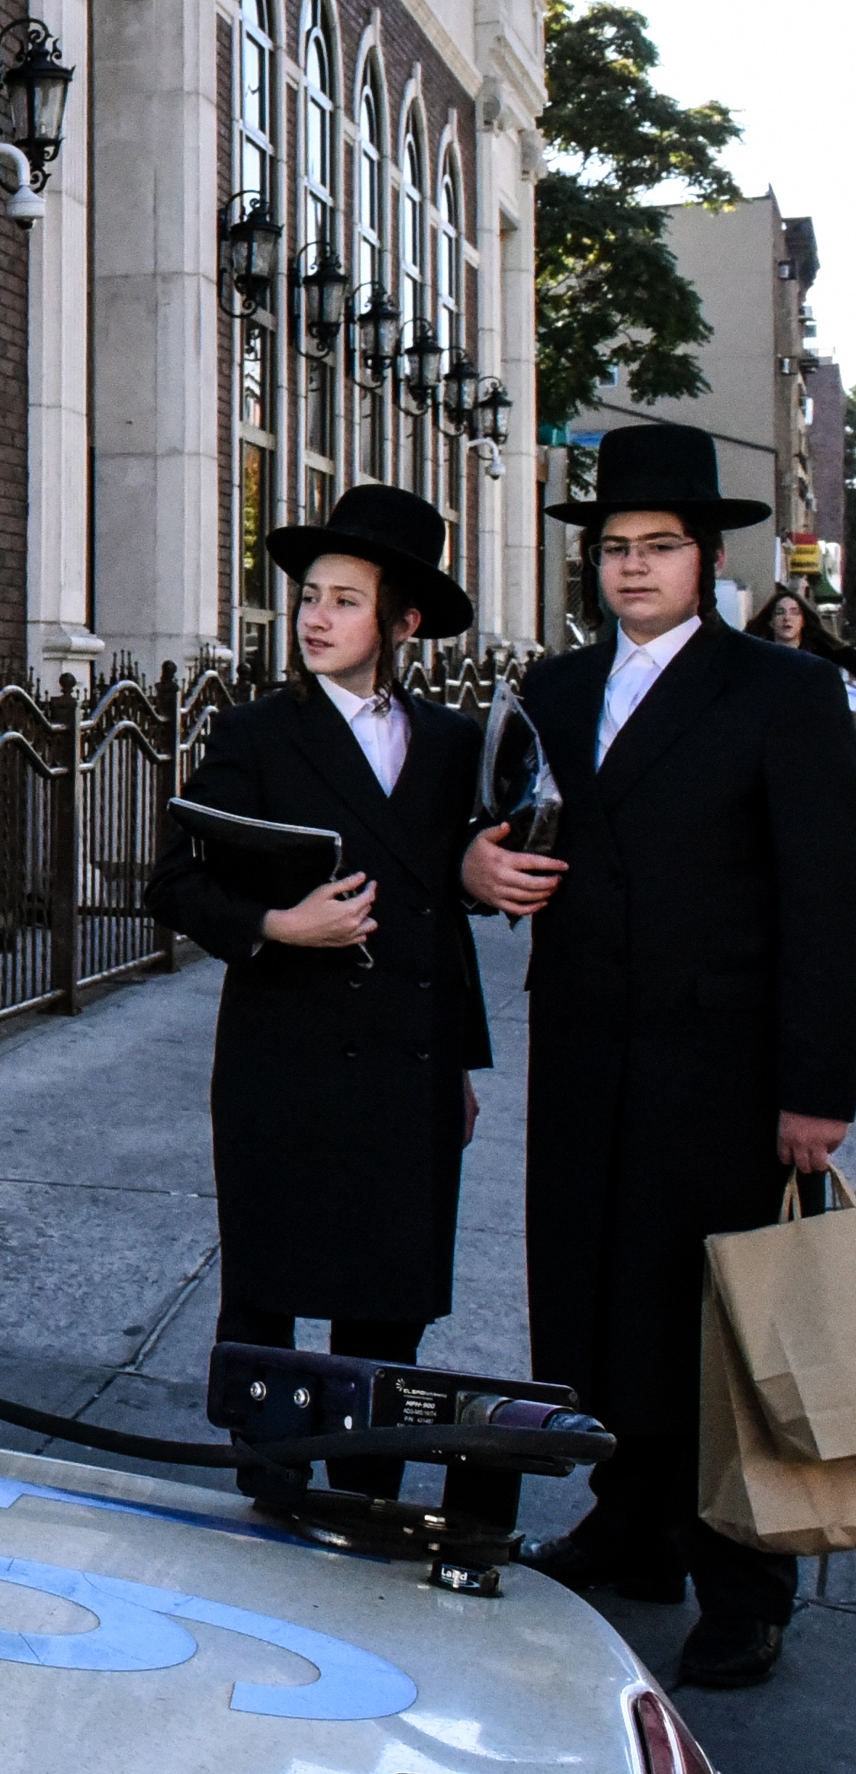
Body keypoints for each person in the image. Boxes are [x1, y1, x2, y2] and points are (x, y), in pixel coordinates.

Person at [467, 420, 856, 1690]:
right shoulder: (562, 689)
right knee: (597, 1297)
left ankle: (749, 1584)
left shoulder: (785, 693)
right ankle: (631, 1525)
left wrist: (819, 1088)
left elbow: (825, 898)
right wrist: (482, 867)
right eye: (615, 549)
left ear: (708, 557)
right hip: (586, 1044)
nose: (633, 569)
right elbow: (495, 825)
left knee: (717, 1319)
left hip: (725, 1063)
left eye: (660, 548)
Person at [147, 486, 494, 1499]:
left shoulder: (451, 746)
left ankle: (366, 1493)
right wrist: (277, 927)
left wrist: (462, 1065)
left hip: (409, 1060)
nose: (315, 616)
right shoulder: (257, 734)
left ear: (403, 621)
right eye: (308, 595)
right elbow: (176, 878)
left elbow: (443, 922)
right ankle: (268, 1489)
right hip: (284, 1053)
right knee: (266, 1287)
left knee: (388, 1299)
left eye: (345, 599)